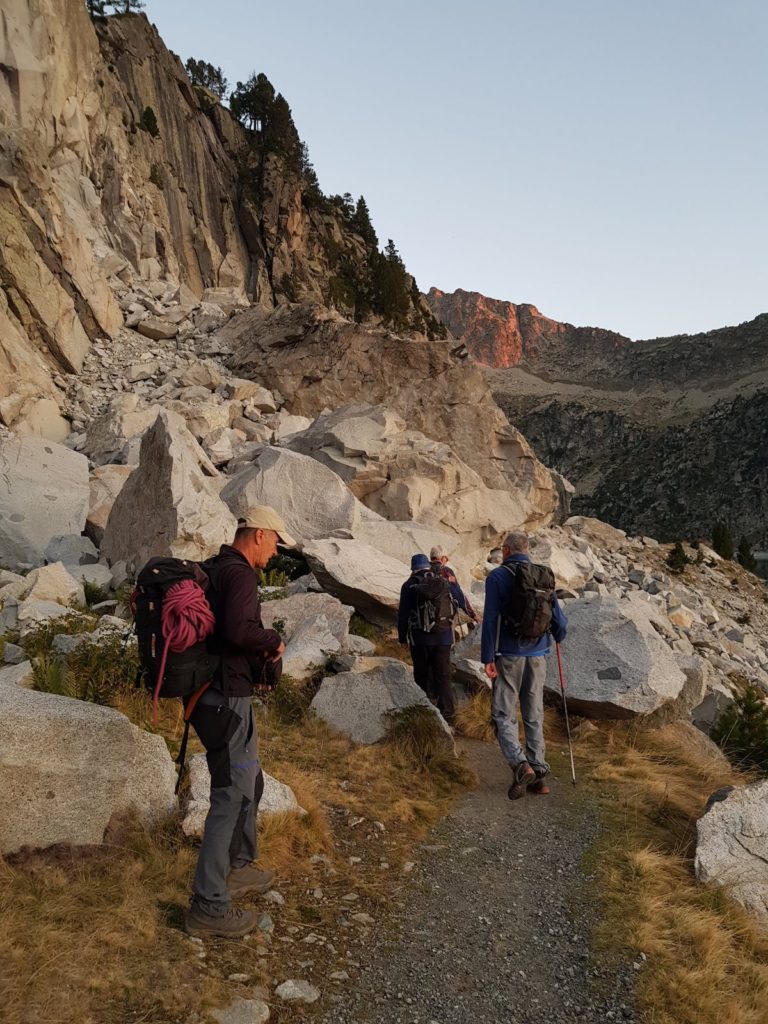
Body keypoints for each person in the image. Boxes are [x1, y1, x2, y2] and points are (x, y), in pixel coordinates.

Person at [184, 505, 296, 939]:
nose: (276, 552)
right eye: (275, 542)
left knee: (250, 781)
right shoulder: (241, 574)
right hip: (225, 698)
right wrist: (275, 641)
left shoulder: (216, 568)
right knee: (230, 793)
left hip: (213, 696)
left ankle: (238, 865)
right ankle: (208, 904)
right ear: (259, 535)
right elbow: (239, 631)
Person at [480, 531, 567, 800]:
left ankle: (521, 765)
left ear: (506, 550)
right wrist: (556, 637)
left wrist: (487, 658)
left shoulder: (497, 577)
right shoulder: (544, 576)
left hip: (508, 655)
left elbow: (491, 619)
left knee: (503, 714)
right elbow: (560, 624)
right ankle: (539, 774)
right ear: (527, 550)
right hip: (538, 654)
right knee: (534, 714)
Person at [397, 553, 469, 725]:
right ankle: (448, 716)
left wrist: (402, 637)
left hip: (420, 639)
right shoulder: (443, 581)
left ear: (413, 569)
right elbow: (459, 600)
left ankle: (425, 715)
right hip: (444, 637)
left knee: (421, 675)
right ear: (428, 566)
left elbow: (403, 614)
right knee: (443, 676)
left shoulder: (409, 585)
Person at [429, 545, 481, 623]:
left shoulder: (424, 570)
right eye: (446, 558)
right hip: (443, 621)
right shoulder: (446, 572)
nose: (447, 560)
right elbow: (458, 595)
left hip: (424, 621)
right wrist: (473, 615)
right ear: (443, 558)